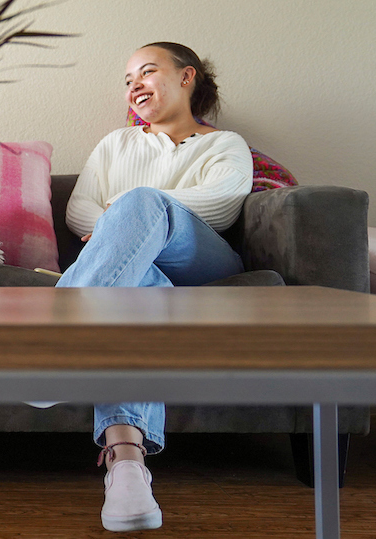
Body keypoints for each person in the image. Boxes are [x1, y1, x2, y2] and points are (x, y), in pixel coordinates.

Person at [56, 42, 253, 532]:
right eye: (127, 80)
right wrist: (124, 228)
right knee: (137, 283)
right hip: (132, 269)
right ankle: (127, 467)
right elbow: (78, 209)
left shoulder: (223, 144)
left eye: (146, 72)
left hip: (199, 258)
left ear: (187, 77)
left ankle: (48, 343)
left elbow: (223, 202)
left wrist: (131, 211)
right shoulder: (115, 145)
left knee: (143, 204)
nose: (134, 86)